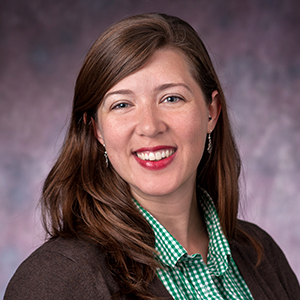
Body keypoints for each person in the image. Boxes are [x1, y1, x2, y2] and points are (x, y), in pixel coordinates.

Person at [4, 13, 300, 300]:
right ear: (97, 130)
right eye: (121, 105)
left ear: (211, 112)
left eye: (171, 98)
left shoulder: (261, 254)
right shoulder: (56, 280)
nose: (150, 126)